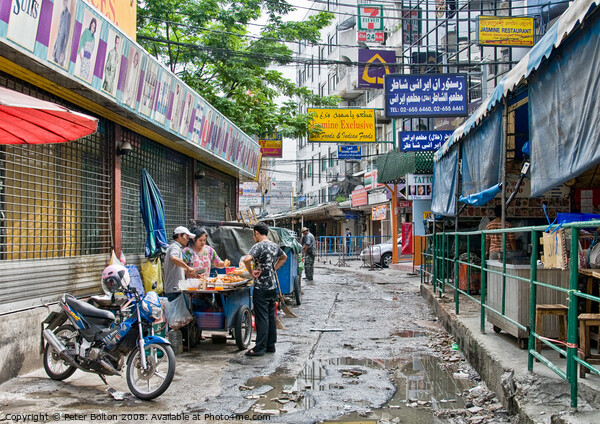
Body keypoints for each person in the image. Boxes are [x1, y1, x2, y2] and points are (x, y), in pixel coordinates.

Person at [242, 222, 287, 357]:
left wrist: (251, 272)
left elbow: (246, 259)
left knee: (262, 318)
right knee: (270, 316)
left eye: (253, 234)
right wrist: (273, 269)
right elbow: (284, 257)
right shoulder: (274, 245)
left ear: (256, 232)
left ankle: (259, 348)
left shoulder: (258, 246)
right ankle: (270, 345)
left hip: (261, 286)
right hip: (272, 286)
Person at [163, 226, 196, 301]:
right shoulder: (175, 247)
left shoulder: (175, 247)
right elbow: (173, 258)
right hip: (174, 290)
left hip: (175, 289)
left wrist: (186, 271)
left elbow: (175, 265)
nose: (188, 240)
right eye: (186, 237)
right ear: (179, 236)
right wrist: (188, 267)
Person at [52, 0, 72, 66]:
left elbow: (67, 34)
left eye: (65, 1)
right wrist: (55, 46)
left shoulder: (68, 15)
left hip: (61, 48)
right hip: (57, 46)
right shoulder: (62, 14)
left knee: (59, 66)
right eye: (63, 1)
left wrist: (63, 51)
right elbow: (58, 31)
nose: (64, 3)